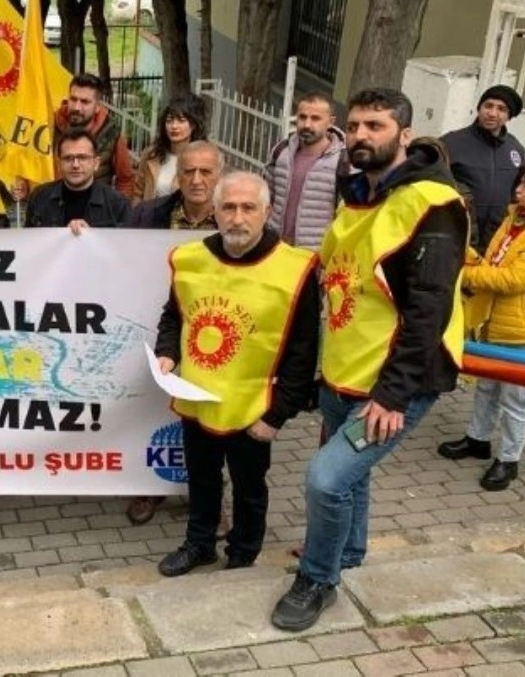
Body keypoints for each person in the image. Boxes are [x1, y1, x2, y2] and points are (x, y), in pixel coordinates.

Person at [271, 88, 468, 632]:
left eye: (375, 126)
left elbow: (429, 310)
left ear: (404, 134)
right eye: (355, 125)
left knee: (326, 479)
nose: (361, 135)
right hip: (344, 372)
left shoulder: (431, 204)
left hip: (392, 383)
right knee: (351, 479)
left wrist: (393, 396)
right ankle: (349, 552)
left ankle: (318, 578)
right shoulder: (359, 192)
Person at [154, 171, 319, 574]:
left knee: (249, 487)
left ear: (267, 211)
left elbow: (303, 352)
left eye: (248, 208)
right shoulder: (191, 259)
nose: (238, 218)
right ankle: (200, 544)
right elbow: (174, 315)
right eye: (228, 207)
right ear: (214, 211)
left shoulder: (294, 269)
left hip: (254, 406)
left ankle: (243, 554)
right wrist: (167, 354)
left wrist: (276, 415)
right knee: (201, 478)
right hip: (198, 396)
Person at [439, 157, 525, 490]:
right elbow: (495, 261)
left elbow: (514, 279)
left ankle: (508, 460)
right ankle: (477, 439)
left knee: (517, 398)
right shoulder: (518, 216)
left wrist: (464, 274)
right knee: (487, 386)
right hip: (497, 318)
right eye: (521, 182)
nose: (519, 190)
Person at [122, 140, 223, 526]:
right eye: (189, 171)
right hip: (156, 323)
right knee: (153, 405)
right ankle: (151, 485)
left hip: (216, 331)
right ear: (177, 176)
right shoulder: (148, 215)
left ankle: (208, 497)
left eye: (206, 172)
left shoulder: (234, 217)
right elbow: (115, 253)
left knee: (210, 416)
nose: (197, 180)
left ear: (219, 175)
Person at [442, 84, 525, 251]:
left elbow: (518, 194)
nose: (492, 113)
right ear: (479, 108)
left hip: (495, 241)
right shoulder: (451, 143)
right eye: (488, 106)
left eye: (501, 109)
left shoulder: (516, 149)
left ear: (509, 116)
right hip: (457, 237)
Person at [264, 92, 350, 251]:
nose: (307, 125)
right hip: (274, 248)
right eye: (302, 117)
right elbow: (265, 198)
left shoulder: (343, 161)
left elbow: (346, 216)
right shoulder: (281, 152)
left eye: (315, 118)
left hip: (314, 255)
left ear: (330, 122)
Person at [25, 130, 130, 230]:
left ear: (96, 163)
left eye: (82, 158)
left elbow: (124, 242)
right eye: (68, 158)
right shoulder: (39, 198)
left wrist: (92, 236)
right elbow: (30, 239)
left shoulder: (117, 204)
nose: (75, 165)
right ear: (59, 164)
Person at [52, 73, 135, 196]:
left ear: (97, 107)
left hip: (96, 204)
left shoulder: (111, 134)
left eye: (85, 102)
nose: (77, 107)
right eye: (73, 99)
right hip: (53, 202)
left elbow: (126, 180)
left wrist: (117, 206)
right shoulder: (51, 124)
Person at [133, 96, 207, 204]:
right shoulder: (151, 154)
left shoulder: (203, 159)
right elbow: (138, 192)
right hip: (150, 213)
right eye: (169, 120)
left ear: (193, 125)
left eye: (181, 121)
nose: (174, 126)